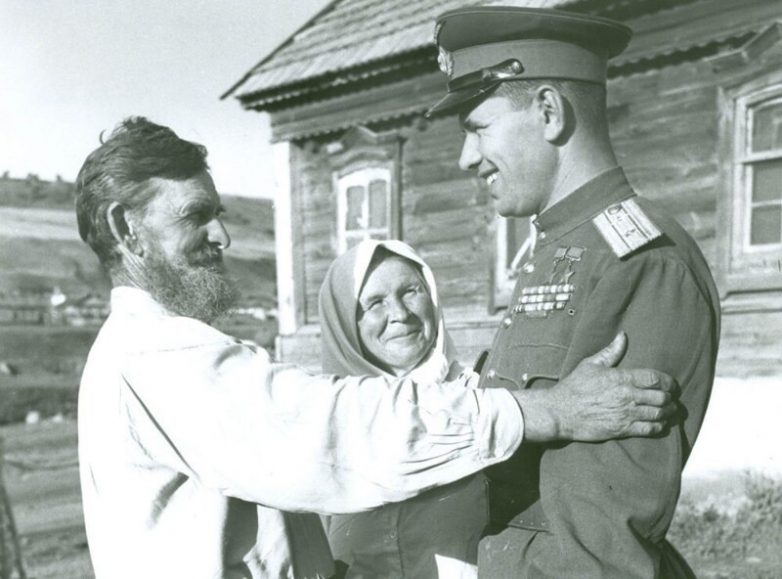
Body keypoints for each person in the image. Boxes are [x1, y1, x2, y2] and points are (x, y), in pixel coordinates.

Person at [74, 116, 678, 579]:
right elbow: (332, 431)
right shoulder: (155, 356)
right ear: (127, 228)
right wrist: (547, 411)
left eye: (219, 214)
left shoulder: (149, 351)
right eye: (195, 216)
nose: (223, 235)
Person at [428, 6, 721, 578]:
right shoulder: (564, 245)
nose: (466, 159)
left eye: (478, 129)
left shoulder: (640, 263)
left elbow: (599, 540)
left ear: (549, 112)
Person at [319, 239, 486, 579]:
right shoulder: (326, 417)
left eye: (410, 292)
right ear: (344, 323)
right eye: (375, 302)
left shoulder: (481, 396)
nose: (400, 314)